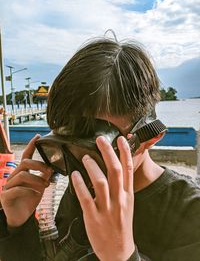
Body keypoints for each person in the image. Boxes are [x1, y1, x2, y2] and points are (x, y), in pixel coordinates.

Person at [0, 35, 200, 261]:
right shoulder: (84, 183)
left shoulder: (191, 214)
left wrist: (122, 255)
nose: (75, 169)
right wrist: (18, 228)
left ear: (149, 138)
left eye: (93, 153)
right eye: (63, 149)